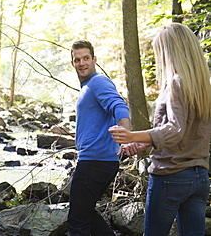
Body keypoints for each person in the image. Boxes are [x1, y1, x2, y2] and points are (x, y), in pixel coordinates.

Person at [109, 23, 211, 236]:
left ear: (170, 51)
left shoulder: (175, 83)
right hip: (199, 176)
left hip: (170, 176)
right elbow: (189, 131)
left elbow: (175, 129)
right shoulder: (203, 85)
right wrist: (144, 142)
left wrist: (131, 135)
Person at [67, 40, 131, 236]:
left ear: (94, 59)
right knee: (84, 213)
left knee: (77, 221)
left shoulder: (98, 82)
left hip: (94, 162)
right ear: (72, 63)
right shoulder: (87, 86)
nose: (82, 63)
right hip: (98, 162)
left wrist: (126, 134)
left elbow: (119, 106)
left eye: (86, 58)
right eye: (77, 60)